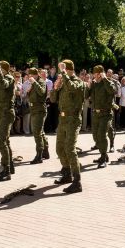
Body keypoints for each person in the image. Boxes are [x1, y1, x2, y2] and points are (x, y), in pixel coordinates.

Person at [50, 60, 86, 193]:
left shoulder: (78, 82)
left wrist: (64, 74)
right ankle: (66, 174)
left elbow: (72, 88)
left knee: (70, 149)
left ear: (69, 69)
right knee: (59, 148)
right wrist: (55, 87)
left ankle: (77, 182)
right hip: (63, 119)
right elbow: (53, 99)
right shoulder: (64, 82)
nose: (61, 72)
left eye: (63, 69)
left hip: (73, 119)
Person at [87, 65, 115, 169]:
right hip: (95, 113)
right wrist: (89, 86)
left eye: (96, 73)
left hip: (106, 114)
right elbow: (86, 96)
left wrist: (104, 79)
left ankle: (103, 157)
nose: (94, 75)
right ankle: (104, 155)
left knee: (102, 135)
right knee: (95, 136)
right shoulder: (94, 83)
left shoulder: (108, 82)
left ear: (100, 74)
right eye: (93, 73)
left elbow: (112, 91)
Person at [27, 67, 50, 163]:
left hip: (39, 110)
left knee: (37, 132)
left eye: (30, 75)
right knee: (40, 131)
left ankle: (39, 155)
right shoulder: (34, 82)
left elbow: (41, 92)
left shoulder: (41, 81)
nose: (29, 77)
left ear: (35, 75)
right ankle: (45, 151)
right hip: (34, 109)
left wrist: (34, 83)